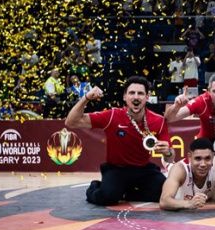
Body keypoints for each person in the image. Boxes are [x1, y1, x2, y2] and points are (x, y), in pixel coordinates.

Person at [65, 76, 174, 206]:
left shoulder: (158, 121)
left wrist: (167, 152)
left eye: (140, 93)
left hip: (143, 169)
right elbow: (71, 122)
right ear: (124, 97)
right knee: (108, 198)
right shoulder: (112, 116)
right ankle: (96, 186)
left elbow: (170, 158)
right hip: (116, 169)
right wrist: (86, 98)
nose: (136, 97)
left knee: (165, 192)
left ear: (147, 97)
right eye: (132, 93)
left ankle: (125, 193)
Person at [159, 138, 215, 211]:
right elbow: (164, 201)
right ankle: (167, 164)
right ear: (190, 157)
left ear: (213, 157)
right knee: (171, 167)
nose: (203, 164)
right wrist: (189, 204)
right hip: (173, 177)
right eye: (198, 159)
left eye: (207, 158)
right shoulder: (180, 169)